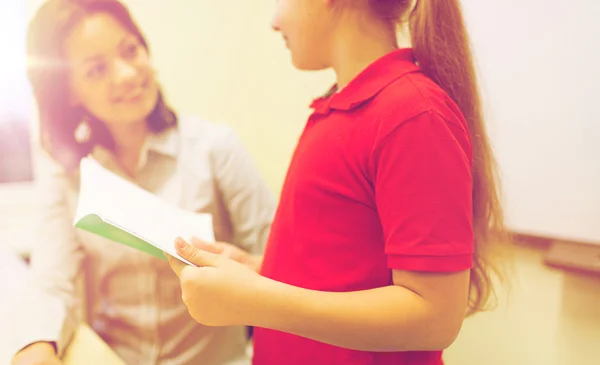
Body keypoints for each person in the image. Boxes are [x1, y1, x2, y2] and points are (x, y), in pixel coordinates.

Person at [168, 0, 509, 364]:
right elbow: (345, 267)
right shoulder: (340, 108)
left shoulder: (411, 114)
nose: (274, 20)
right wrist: (260, 271)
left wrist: (256, 298)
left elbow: (434, 316)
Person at [11, 0, 275, 364]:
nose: (126, 75)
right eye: (96, 70)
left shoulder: (214, 149)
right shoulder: (70, 176)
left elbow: (277, 262)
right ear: (69, 92)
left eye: (130, 51)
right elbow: (52, 285)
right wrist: (35, 348)